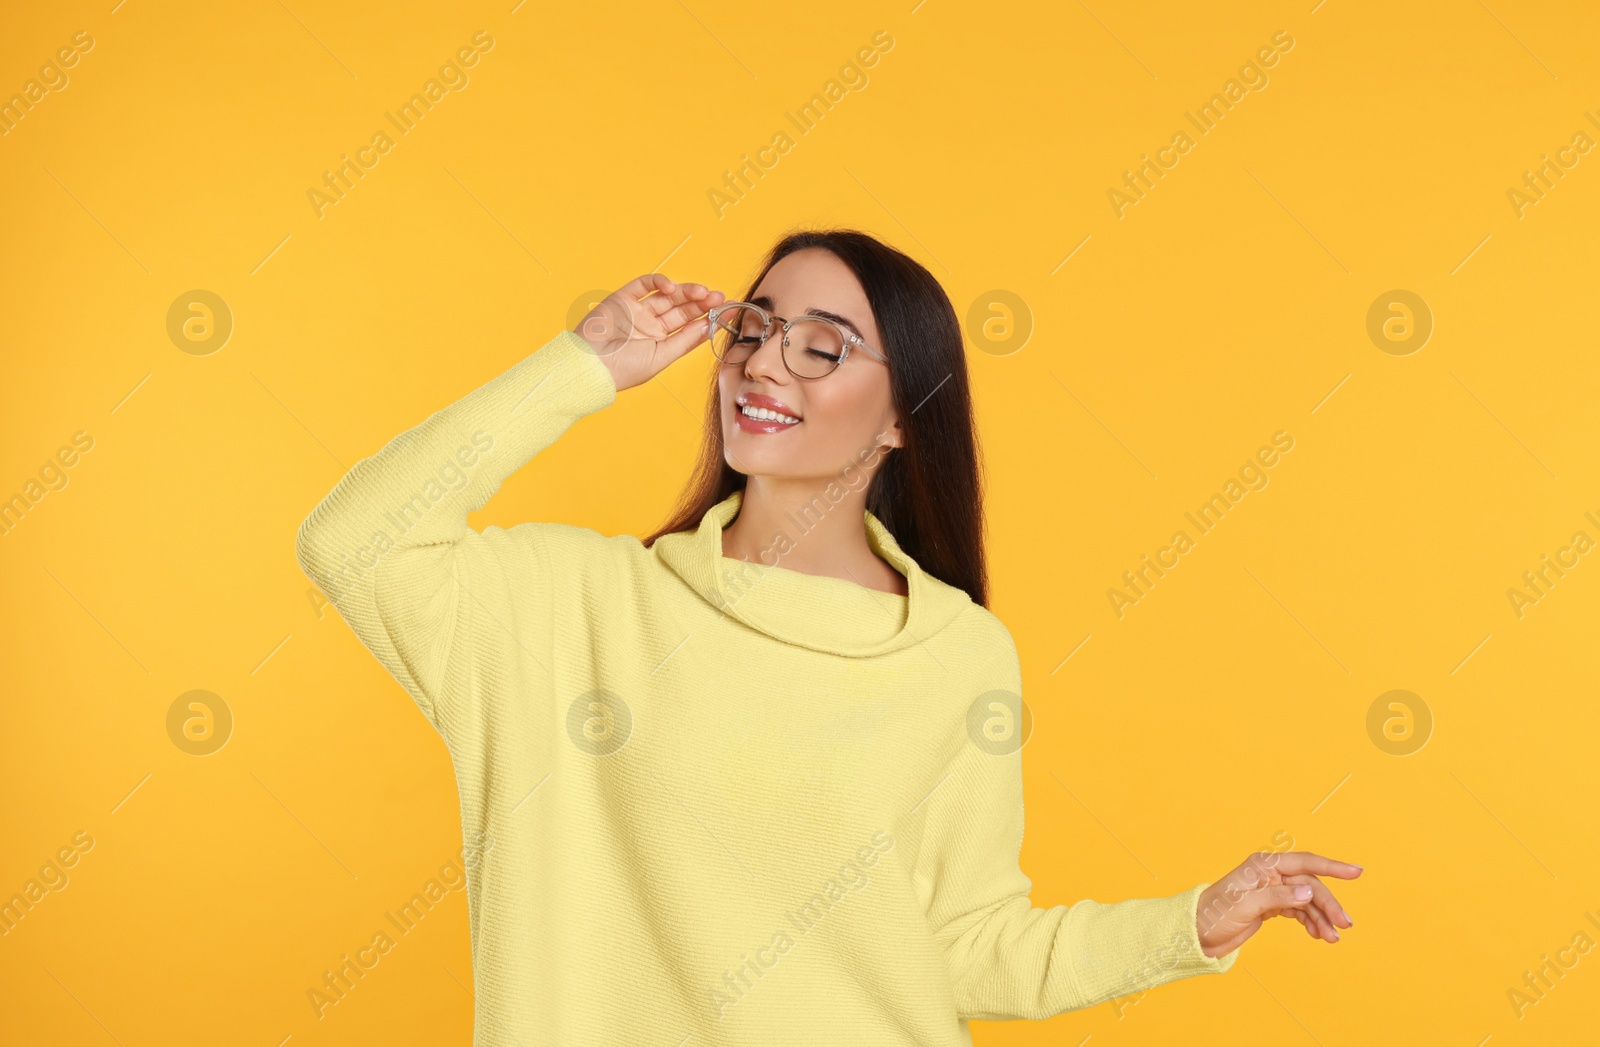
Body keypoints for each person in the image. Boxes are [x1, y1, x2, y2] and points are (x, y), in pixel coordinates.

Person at [294, 228, 1360, 1046]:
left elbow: (965, 945)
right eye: (753, 331)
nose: (763, 367)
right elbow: (357, 542)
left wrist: (1194, 924)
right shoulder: (573, 607)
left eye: (824, 349)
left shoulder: (956, 654)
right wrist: (586, 362)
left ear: (902, 416)